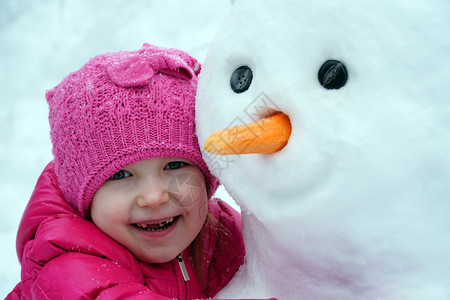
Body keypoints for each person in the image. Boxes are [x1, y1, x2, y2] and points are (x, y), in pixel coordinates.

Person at [6, 44, 247, 300]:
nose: (154, 197)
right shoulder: (67, 266)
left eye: (174, 165)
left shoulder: (222, 233)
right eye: (120, 175)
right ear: (81, 197)